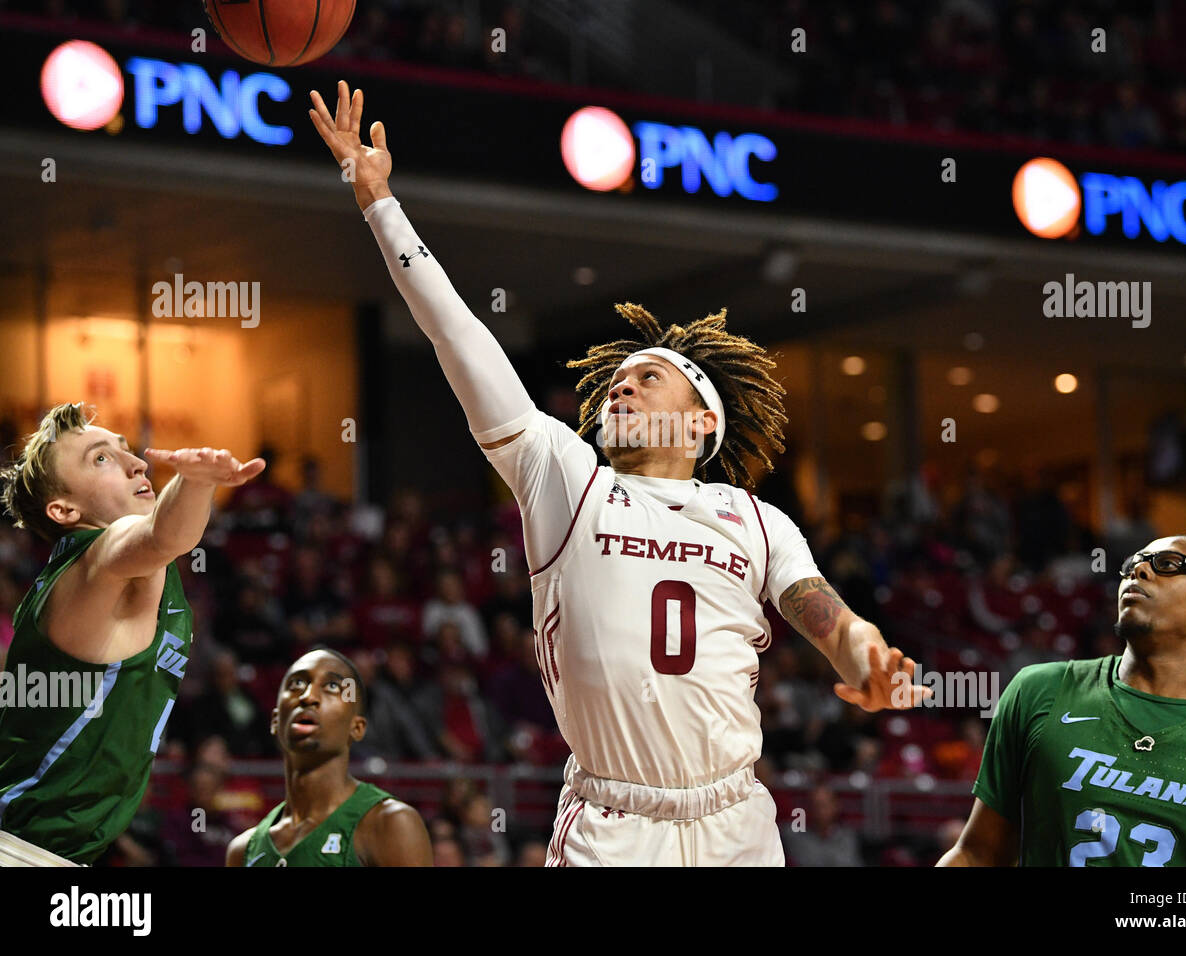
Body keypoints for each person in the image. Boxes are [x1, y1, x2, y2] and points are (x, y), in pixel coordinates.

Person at [309, 80, 928, 867]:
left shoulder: (758, 521)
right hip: (615, 819)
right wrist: (380, 203)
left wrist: (870, 661)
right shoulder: (566, 476)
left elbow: (829, 619)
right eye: (617, 380)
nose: (621, 386)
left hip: (736, 817)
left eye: (647, 377)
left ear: (703, 421)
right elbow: (456, 334)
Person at [0, 402, 263, 865]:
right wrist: (197, 480)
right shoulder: (94, 563)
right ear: (65, 510)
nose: (136, 462)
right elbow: (164, 535)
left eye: (124, 450)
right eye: (100, 458)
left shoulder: (129, 569)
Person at [939, 535, 1186, 866]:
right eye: (1133, 565)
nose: (1139, 570)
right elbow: (976, 853)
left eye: (1169, 565)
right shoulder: (1039, 691)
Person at [226, 647, 433, 866]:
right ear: (275, 721)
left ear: (357, 727)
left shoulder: (390, 824)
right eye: (296, 684)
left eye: (332, 686)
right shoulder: (243, 850)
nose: (308, 697)